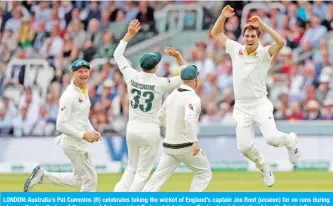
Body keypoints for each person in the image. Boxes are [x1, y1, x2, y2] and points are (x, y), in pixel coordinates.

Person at [211, 5, 300, 187]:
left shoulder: (264, 53)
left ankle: (290, 141)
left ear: (258, 38)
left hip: (260, 104)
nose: (249, 38)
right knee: (243, 147)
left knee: (272, 139)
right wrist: (222, 16)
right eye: (247, 36)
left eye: (253, 36)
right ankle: (263, 166)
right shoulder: (236, 49)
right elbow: (216, 33)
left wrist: (264, 26)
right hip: (242, 107)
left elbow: (281, 42)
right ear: (243, 37)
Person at [113, 19, 186, 192]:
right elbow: (187, 75)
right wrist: (178, 58)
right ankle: (132, 202)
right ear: (154, 68)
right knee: (142, 173)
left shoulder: (131, 76)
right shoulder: (161, 83)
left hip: (132, 128)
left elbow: (117, 55)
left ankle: (116, 199)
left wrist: (129, 35)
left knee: (131, 168)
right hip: (150, 130)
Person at [24, 59, 101, 192]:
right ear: (73, 73)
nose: (84, 74)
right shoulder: (69, 96)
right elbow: (60, 125)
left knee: (80, 179)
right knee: (90, 178)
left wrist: (92, 131)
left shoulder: (83, 90)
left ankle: (43, 176)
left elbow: (82, 117)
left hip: (77, 141)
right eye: (80, 71)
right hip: (73, 142)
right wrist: (84, 135)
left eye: (86, 71)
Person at [143, 65, 212, 192]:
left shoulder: (172, 94)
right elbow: (189, 119)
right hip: (186, 146)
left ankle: (141, 201)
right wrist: (194, 141)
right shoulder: (193, 98)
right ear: (195, 79)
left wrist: (171, 128)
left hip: (169, 146)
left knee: (156, 180)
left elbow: (160, 116)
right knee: (204, 173)